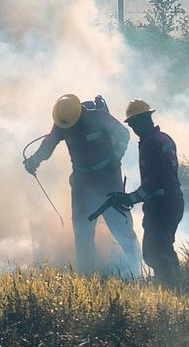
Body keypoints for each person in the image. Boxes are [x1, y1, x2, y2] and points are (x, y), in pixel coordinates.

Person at [24, 94, 141, 276]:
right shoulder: (64, 122)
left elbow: (124, 134)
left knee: (121, 228)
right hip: (82, 184)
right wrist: (34, 161)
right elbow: (49, 144)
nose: (70, 128)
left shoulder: (98, 117)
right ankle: (87, 277)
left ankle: (137, 272)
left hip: (109, 180)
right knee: (83, 234)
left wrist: (116, 156)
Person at [92, 100, 184, 285]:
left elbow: (153, 183)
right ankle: (178, 284)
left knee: (154, 252)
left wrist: (130, 198)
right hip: (174, 201)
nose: (133, 128)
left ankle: (170, 288)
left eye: (133, 123)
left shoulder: (150, 144)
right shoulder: (165, 138)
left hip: (161, 205)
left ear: (142, 120)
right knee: (164, 247)